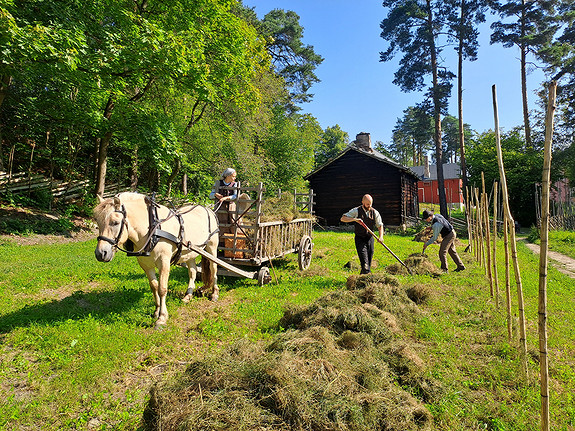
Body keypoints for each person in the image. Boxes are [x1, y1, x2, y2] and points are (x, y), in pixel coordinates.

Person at [341, 194, 385, 274]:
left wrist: (381, 237)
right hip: (360, 238)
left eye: (371, 204)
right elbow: (343, 218)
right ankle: (367, 277)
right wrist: (355, 219)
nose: (369, 206)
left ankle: (363, 277)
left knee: (368, 262)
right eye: (367, 204)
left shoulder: (375, 212)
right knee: (365, 262)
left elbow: (380, 225)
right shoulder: (356, 211)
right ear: (363, 202)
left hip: (369, 238)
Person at [209, 168, 240, 234]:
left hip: (231, 206)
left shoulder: (234, 184)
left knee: (233, 221)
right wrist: (215, 194)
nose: (234, 178)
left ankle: (234, 239)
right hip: (221, 206)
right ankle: (222, 241)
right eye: (233, 176)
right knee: (221, 222)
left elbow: (235, 196)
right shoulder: (218, 183)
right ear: (228, 176)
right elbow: (210, 195)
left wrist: (226, 198)